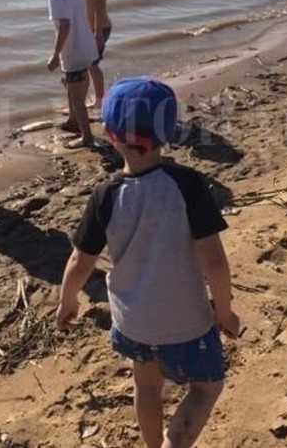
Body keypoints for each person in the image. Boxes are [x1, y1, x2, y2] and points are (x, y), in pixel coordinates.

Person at [55, 77, 241, 448]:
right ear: (169, 132)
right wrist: (224, 310)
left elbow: (80, 260)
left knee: (146, 383)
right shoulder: (187, 185)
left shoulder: (105, 195)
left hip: (134, 323)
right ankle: (177, 439)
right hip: (187, 322)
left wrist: (68, 301)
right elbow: (215, 260)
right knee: (206, 387)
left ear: (109, 135)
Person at [27, 0, 98, 149]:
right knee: (74, 84)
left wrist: (55, 54)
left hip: (73, 51)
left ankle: (86, 137)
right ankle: (73, 121)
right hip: (86, 45)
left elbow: (64, 26)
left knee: (76, 98)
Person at [55, 0, 111, 108]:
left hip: (99, 27)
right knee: (90, 64)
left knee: (91, 65)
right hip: (96, 27)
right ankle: (95, 99)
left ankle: (99, 100)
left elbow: (98, 4)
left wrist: (97, 32)